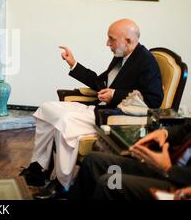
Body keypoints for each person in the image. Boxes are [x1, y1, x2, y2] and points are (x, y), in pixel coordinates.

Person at [22, 19, 163, 199]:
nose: (107, 44)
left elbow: (154, 99)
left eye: (111, 39)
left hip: (112, 117)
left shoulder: (146, 61)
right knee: (46, 109)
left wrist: (116, 95)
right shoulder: (122, 56)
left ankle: (62, 184)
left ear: (128, 40)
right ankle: (38, 168)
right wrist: (73, 64)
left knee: (64, 122)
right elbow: (100, 83)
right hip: (97, 109)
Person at [69, 120, 191, 200]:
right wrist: (164, 133)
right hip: (168, 169)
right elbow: (185, 128)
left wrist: (168, 169)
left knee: (110, 183)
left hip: (180, 184)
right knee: (93, 161)